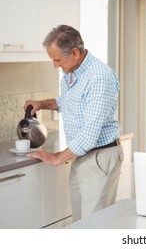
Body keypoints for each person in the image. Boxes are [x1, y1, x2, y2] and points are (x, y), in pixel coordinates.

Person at [25, 25, 123, 221]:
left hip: (99, 157)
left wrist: (57, 157)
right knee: (80, 224)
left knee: (94, 227)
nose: (55, 65)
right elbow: (68, 102)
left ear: (75, 53)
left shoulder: (98, 77)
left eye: (58, 60)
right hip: (82, 155)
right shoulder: (73, 72)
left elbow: (89, 134)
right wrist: (42, 104)